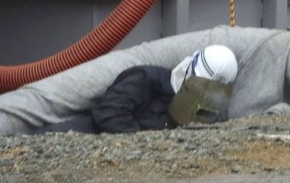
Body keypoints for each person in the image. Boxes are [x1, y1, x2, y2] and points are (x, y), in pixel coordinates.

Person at [90, 44, 238, 133]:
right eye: (198, 83)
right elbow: (107, 113)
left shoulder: (208, 114)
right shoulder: (145, 78)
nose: (200, 93)